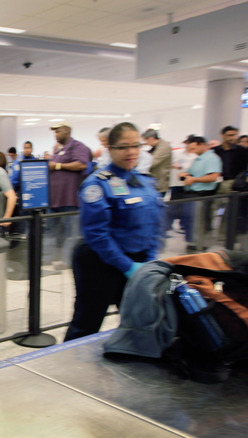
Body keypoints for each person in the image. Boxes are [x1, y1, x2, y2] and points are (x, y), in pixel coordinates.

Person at [65, 123, 163, 341]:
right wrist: (127, 266)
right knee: (87, 322)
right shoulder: (98, 184)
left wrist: (149, 260)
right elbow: (97, 235)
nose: (131, 152)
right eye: (123, 147)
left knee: (137, 320)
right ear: (110, 148)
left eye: (136, 146)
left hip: (138, 261)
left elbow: (154, 225)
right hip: (100, 262)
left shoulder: (146, 182)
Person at [47, 123, 92, 267]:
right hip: (54, 200)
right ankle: (50, 258)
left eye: (58, 131)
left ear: (67, 131)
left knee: (71, 233)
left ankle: (68, 260)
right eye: (54, 132)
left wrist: (58, 166)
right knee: (53, 232)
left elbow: (82, 165)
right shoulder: (59, 149)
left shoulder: (78, 147)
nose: (56, 135)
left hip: (70, 200)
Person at [179, 135, 222, 251]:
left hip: (202, 194)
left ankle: (200, 245)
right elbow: (191, 173)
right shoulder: (198, 158)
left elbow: (213, 176)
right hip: (192, 193)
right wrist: (185, 175)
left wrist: (194, 180)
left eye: (194, 149)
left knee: (200, 222)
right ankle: (193, 242)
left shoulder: (212, 159)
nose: (192, 152)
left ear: (202, 145)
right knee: (192, 221)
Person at [141, 129, 172, 195]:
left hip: (159, 185)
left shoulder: (163, 147)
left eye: (146, 140)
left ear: (151, 138)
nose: (146, 143)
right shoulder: (155, 147)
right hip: (153, 183)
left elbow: (151, 163)